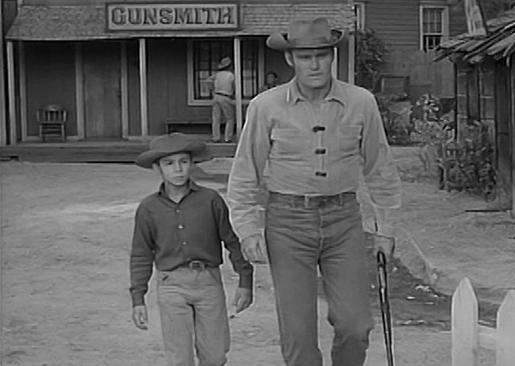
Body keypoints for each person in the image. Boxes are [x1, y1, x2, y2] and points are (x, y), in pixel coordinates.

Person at [226, 17, 402, 366]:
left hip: (344, 221)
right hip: (288, 224)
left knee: (355, 325)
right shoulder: (266, 106)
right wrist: (246, 229)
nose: (315, 64)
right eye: (305, 56)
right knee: (299, 335)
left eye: (322, 54)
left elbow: (380, 169)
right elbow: (245, 172)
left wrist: (386, 229)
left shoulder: (361, 102)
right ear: (290, 59)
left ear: (332, 56)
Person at [129, 133, 253, 366]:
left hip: (208, 280)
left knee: (215, 355)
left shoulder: (211, 200)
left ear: (192, 164)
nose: (178, 170)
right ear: (157, 168)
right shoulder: (149, 208)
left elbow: (232, 241)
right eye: (169, 163)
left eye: (184, 162)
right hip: (171, 283)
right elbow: (141, 254)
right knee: (179, 357)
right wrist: (138, 297)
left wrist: (245, 280)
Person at [206, 57, 236, 143]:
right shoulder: (231, 75)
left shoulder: (217, 75)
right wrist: (234, 93)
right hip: (226, 96)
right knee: (230, 118)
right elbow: (234, 86)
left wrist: (212, 90)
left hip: (216, 96)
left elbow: (208, 81)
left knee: (216, 118)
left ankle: (216, 137)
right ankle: (227, 138)